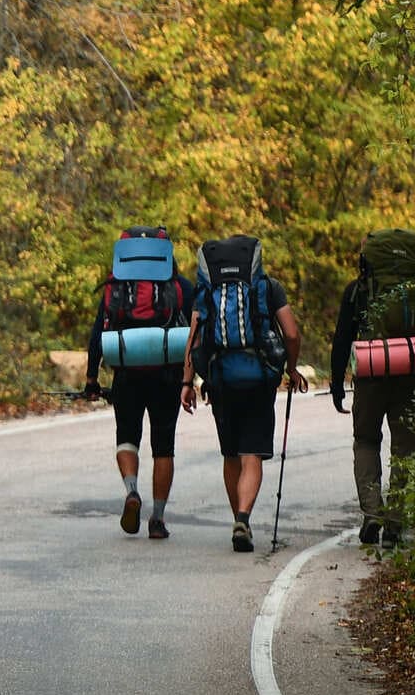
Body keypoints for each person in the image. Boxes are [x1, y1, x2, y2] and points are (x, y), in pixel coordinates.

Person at [179, 236, 306, 553]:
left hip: (221, 379)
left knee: (231, 453)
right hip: (259, 379)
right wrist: (291, 368)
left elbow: (193, 338)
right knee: (252, 454)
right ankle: (244, 518)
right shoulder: (268, 286)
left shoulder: (207, 291)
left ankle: (238, 519)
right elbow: (291, 332)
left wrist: (186, 382)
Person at [328, 230, 415, 546]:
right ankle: (395, 523)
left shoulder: (358, 291)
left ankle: (372, 514)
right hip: (411, 375)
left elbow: (342, 341)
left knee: (366, 440)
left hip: (371, 376)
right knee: (404, 448)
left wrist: (337, 383)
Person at [84, 228, 194, 540]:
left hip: (126, 375)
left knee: (127, 438)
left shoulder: (115, 287)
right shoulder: (179, 286)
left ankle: (132, 491)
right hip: (167, 375)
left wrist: (92, 378)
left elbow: (97, 336)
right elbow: (196, 330)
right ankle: (157, 519)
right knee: (163, 447)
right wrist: (194, 377)